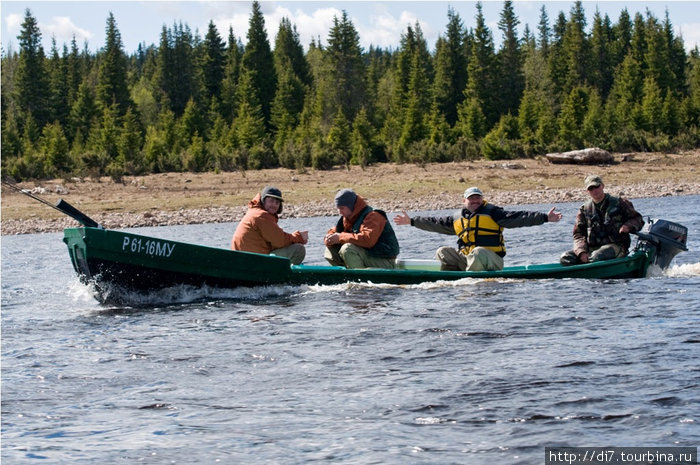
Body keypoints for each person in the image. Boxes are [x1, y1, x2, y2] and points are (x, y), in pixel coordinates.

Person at [393, 187, 563, 271]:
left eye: (477, 198)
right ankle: (455, 277)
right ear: (464, 201)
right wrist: (412, 221)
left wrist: (545, 217)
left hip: (491, 261)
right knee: (442, 251)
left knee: (479, 251)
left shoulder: (494, 212)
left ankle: (469, 278)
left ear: (482, 199)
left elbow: (519, 217)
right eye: (471, 199)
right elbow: (434, 222)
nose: (475, 201)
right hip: (468, 260)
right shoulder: (457, 218)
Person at [560, 175, 644, 266]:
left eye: (596, 187)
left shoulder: (619, 203)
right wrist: (581, 251)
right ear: (587, 191)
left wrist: (628, 226)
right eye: (591, 188)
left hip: (616, 246)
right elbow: (578, 234)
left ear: (602, 186)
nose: (594, 190)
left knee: (598, 256)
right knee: (565, 258)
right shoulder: (584, 209)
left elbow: (638, 219)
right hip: (591, 249)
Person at [323, 188, 400, 269]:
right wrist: (329, 238)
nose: (340, 212)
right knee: (330, 250)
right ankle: (345, 277)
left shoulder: (373, 216)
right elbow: (335, 231)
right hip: (366, 257)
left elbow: (367, 240)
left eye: (342, 208)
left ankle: (359, 279)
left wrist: (340, 237)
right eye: (338, 208)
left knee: (348, 249)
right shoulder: (348, 217)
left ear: (351, 206)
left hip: (384, 261)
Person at [231, 186, 308, 265]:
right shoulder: (261, 215)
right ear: (263, 200)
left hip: (245, 259)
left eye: (277, 203)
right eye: (271, 201)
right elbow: (279, 241)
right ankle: (282, 276)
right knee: (298, 249)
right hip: (252, 261)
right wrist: (299, 237)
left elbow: (273, 241)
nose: (274, 205)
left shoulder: (254, 211)